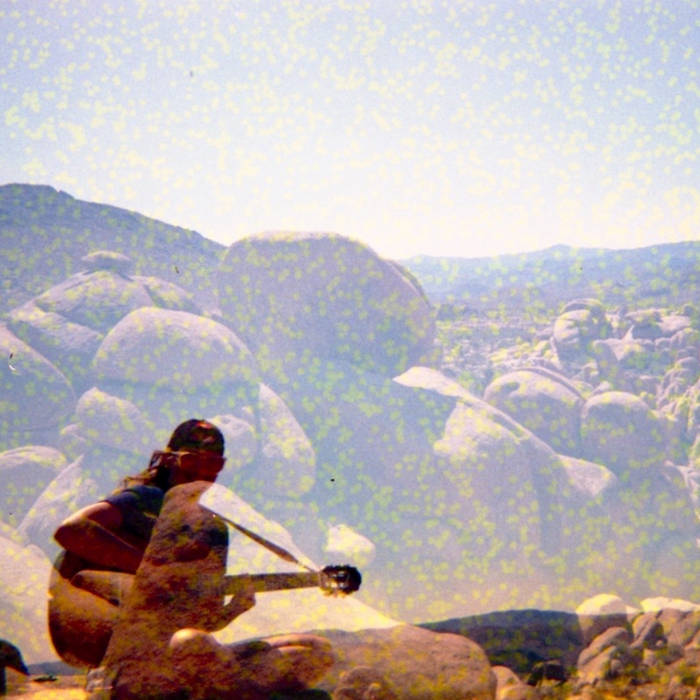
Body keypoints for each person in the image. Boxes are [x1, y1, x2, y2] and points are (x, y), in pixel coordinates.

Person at [50, 419, 334, 699]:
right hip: (133, 668)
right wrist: (151, 570)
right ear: (169, 460)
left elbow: (199, 620)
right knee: (191, 643)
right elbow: (72, 530)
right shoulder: (149, 499)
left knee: (315, 650)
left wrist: (235, 608)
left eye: (212, 464)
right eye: (191, 461)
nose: (200, 472)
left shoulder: (209, 526)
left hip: (178, 662)